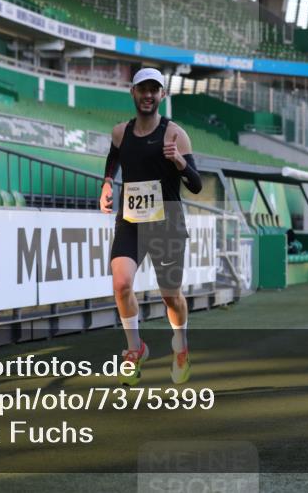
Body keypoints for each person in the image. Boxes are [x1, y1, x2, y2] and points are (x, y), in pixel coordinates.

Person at [100, 67, 203, 386]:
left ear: (162, 95)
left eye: (153, 90)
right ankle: (135, 349)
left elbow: (196, 185)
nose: (147, 95)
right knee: (121, 284)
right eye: (142, 89)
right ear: (133, 92)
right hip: (131, 221)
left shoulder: (176, 134)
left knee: (170, 295)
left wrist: (179, 162)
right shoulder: (120, 131)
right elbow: (114, 157)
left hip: (167, 222)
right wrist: (107, 182)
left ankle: (180, 346)